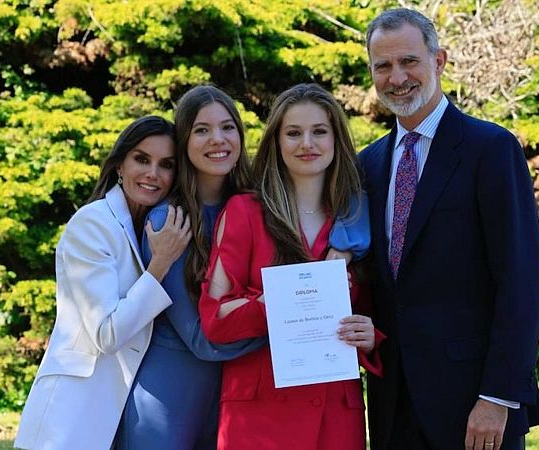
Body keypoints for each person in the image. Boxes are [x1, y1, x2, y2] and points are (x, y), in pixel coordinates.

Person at [117, 85, 371, 450]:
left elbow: (352, 214)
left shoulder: (325, 214)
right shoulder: (174, 220)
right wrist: (297, 311)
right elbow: (205, 336)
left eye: (227, 127)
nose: (217, 139)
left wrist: (359, 324)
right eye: (201, 130)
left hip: (289, 395)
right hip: (180, 385)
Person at [357, 8, 539, 450]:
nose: (396, 77)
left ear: (439, 61)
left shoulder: (491, 150)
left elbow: (522, 283)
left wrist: (496, 397)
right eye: (382, 66)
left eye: (409, 61)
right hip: (393, 405)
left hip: (473, 405)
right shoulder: (367, 164)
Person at [198, 83, 383, 450]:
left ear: (336, 140)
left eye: (319, 132)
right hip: (259, 415)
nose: (307, 144)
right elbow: (214, 317)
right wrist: (279, 303)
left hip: (335, 413)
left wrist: (369, 335)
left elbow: (374, 314)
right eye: (294, 133)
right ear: (277, 143)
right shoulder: (243, 213)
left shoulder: (358, 220)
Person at [14, 116, 191, 450]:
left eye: (166, 165)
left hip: (118, 417)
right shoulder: (92, 224)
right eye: (141, 159)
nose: (153, 173)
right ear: (120, 166)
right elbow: (106, 333)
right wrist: (161, 263)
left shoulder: (149, 227)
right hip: (73, 416)